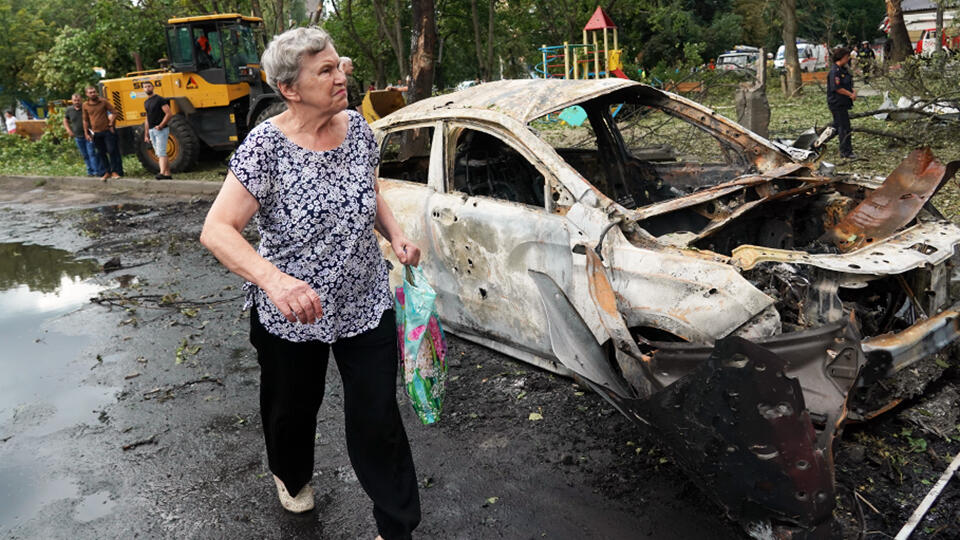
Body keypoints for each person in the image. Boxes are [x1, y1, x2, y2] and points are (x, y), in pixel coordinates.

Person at [199, 27, 422, 540]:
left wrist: (396, 234)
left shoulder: (360, 130)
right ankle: (292, 476)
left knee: (378, 417)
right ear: (290, 89)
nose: (342, 75)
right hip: (292, 314)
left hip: (365, 303)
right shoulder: (265, 147)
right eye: (325, 70)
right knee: (291, 413)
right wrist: (275, 284)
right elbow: (217, 230)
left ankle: (399, 526)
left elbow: (370, 191)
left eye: (339, 64)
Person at [82, 86, 123, 180]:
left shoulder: (103, 102)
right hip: (96, 133)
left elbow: (115, 112)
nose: (93, 94)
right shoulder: (85, 105)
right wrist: (86, 133)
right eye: (90, 92)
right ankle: (107, 172)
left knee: (112, 150)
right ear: (87, 94)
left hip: (107, 131)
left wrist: (111, 123)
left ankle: (114, 171)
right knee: (101, 153)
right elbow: (85, 120)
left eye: (94, 92)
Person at [827, 47, 857, 160]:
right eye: (846, 57)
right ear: (842, 57)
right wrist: (850, 94)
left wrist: (852, 90)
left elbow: (847, 83)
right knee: (844, 128)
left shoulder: (843, 70)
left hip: (843, 103)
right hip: (837, 103)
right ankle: (845, 152)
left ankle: (818, 141)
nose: (848, 59)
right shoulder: (835, 71)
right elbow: (837, 88)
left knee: (837, 126)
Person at [64, 93, 104, 177]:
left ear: (81, 100)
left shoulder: (86, 108)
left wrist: (93, 131)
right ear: (72, 101)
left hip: (89, 135)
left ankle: (96, 171)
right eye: (75, 100)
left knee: (92, 153)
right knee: (85, 155)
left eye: (78, 100)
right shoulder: (69, 110)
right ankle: (90, 171)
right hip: (78, 136)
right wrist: (68, 130)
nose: (77, 102)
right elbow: (65, 120)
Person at [141, 81, 173, 180]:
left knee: (161, 152)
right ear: (143, 89)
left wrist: (161, 126)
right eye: (145, 87)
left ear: (153, 87)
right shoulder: (146, 102)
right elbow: (147, 118)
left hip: (161, 130)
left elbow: (169, 113)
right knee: (159, 152)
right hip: (151, 131)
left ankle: (162, 173)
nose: (147, 88)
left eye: (149, 86)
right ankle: (167, 173)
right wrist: (146, 134)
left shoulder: (160, 99)